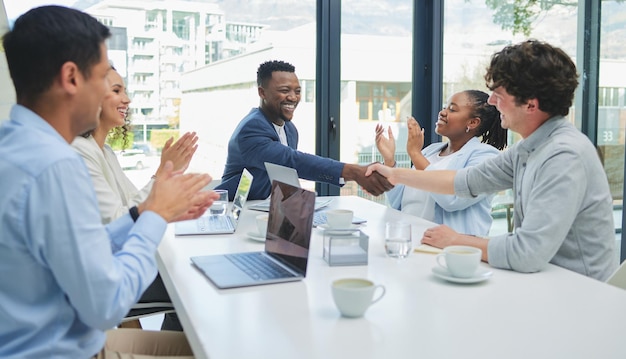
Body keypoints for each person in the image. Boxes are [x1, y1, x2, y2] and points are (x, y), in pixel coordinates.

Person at [0, 5, 217, 358]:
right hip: (61, 349)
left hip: (43, 338)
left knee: (202, 344)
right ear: (71, 78)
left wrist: (143, 212)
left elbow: (79, 245)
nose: (115, 94)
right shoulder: (56, 165)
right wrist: (155, 218)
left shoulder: (15, 144)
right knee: (216, 348)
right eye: (103, 78)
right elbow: (108, 304)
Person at [366, 40, 617, 281]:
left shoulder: (564, 155)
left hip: (578, 293)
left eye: (499, 94)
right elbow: (464, 181)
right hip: (544, 281)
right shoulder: (529, 148)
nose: (492, 102)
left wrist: (456, 240)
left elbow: (526, 252)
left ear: (531, 105)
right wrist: (395, 174)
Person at [72, 67, 198, 331]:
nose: (127, 99)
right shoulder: (80, 152)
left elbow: (135, 203)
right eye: (117, 91)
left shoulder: (104, 151)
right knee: (189, 284)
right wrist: (162, 178)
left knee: (186, 276)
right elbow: (123, 217)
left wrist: (166, 185)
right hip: (108, 273)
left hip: (115, 263)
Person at [216, 60, 393, 200]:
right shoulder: (251, 128)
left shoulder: (290, 129)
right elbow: (291, 161)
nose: (293, 97)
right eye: (284, 90)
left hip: (272, 209)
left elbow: (286, 176)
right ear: (262, 93)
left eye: (297, 91)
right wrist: (354, 172)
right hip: (239, 211)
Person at [375, 90, 507, 236]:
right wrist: (389, 161)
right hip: (409, 241)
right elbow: (398, 201)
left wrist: (415, 154)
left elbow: (452, 200)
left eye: (452, 109)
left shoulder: (485, 156)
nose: (443, 112)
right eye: (445, 107)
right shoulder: (430, 152)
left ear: (473, 122)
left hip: (448, 252)